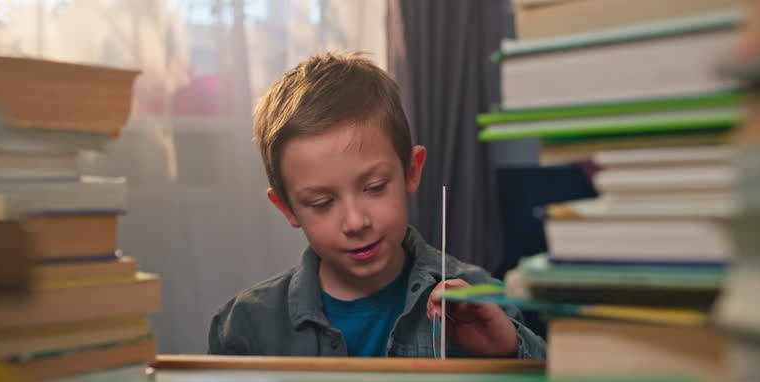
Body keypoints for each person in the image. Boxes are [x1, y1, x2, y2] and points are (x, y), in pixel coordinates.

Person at [208, 52, 546, 358]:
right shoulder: (245, 326)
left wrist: (509, 350)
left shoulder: (480, 300)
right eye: (322, 203)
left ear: (411, 172)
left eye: (374, 187)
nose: (356, 222)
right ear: (287, 208)